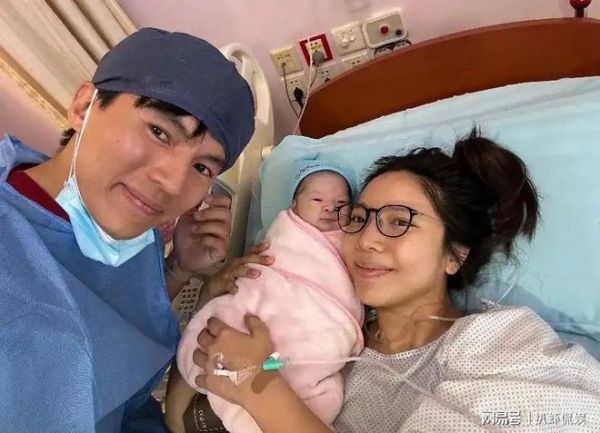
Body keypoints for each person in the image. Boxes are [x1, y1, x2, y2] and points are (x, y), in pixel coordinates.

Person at [190, 130, 600, 432]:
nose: (366, 239)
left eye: (399, 221)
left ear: (454, 255)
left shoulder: (502, 343)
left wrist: (258, 385)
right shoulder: (328, 334)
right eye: (358, 218)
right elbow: (183, 416)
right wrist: (213, 299)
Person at [0, 28, 255, 433]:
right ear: (84, 106)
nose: (172, 183)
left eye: (202, 167)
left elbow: (113, 326)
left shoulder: (134, 226)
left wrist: (178, 268)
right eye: (159, 132)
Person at [170, 161, 364, 433]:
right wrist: (210, 292)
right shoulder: (289, 235)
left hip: (296, 343)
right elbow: (176, 418)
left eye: (341, 204)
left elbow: (177, 419)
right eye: (317, 199)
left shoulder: (349, 245)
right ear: (295, 205)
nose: (330, 208)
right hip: (268, 334)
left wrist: (254, 379)